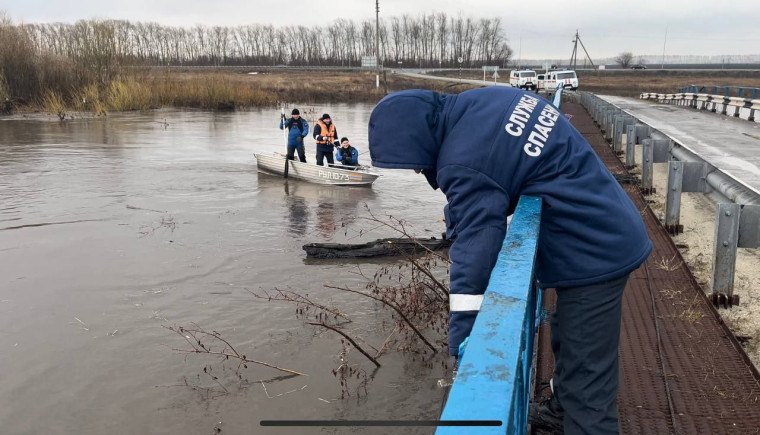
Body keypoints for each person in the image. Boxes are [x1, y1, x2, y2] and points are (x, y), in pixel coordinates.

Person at [368, 87, 652, 435]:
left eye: (410, 160)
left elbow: (477, 252)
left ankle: (579, 418)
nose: (414, 170)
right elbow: (495, 177)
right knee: (566, 335)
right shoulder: (486, 102)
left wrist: (464, 342)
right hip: (604, 223)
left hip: (594, 250)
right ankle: (561, 413)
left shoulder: (464, 159)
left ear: (417, 140)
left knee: (588, 385)